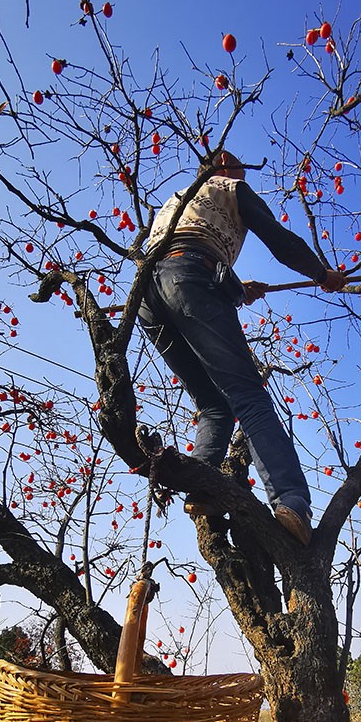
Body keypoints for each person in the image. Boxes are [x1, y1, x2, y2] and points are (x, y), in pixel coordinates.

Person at [138, 151, 345, 545]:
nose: (244, 172)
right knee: (248, 394)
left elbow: (180, 254)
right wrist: (321, 273)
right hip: (190, 279)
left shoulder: (177, 199)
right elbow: (278, 240)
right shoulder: (231, 188)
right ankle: (291, 501)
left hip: (148, 296)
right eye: (240, 167)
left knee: (214, 405)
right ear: (222, 167)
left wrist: (235, 287)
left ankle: (202, 487)